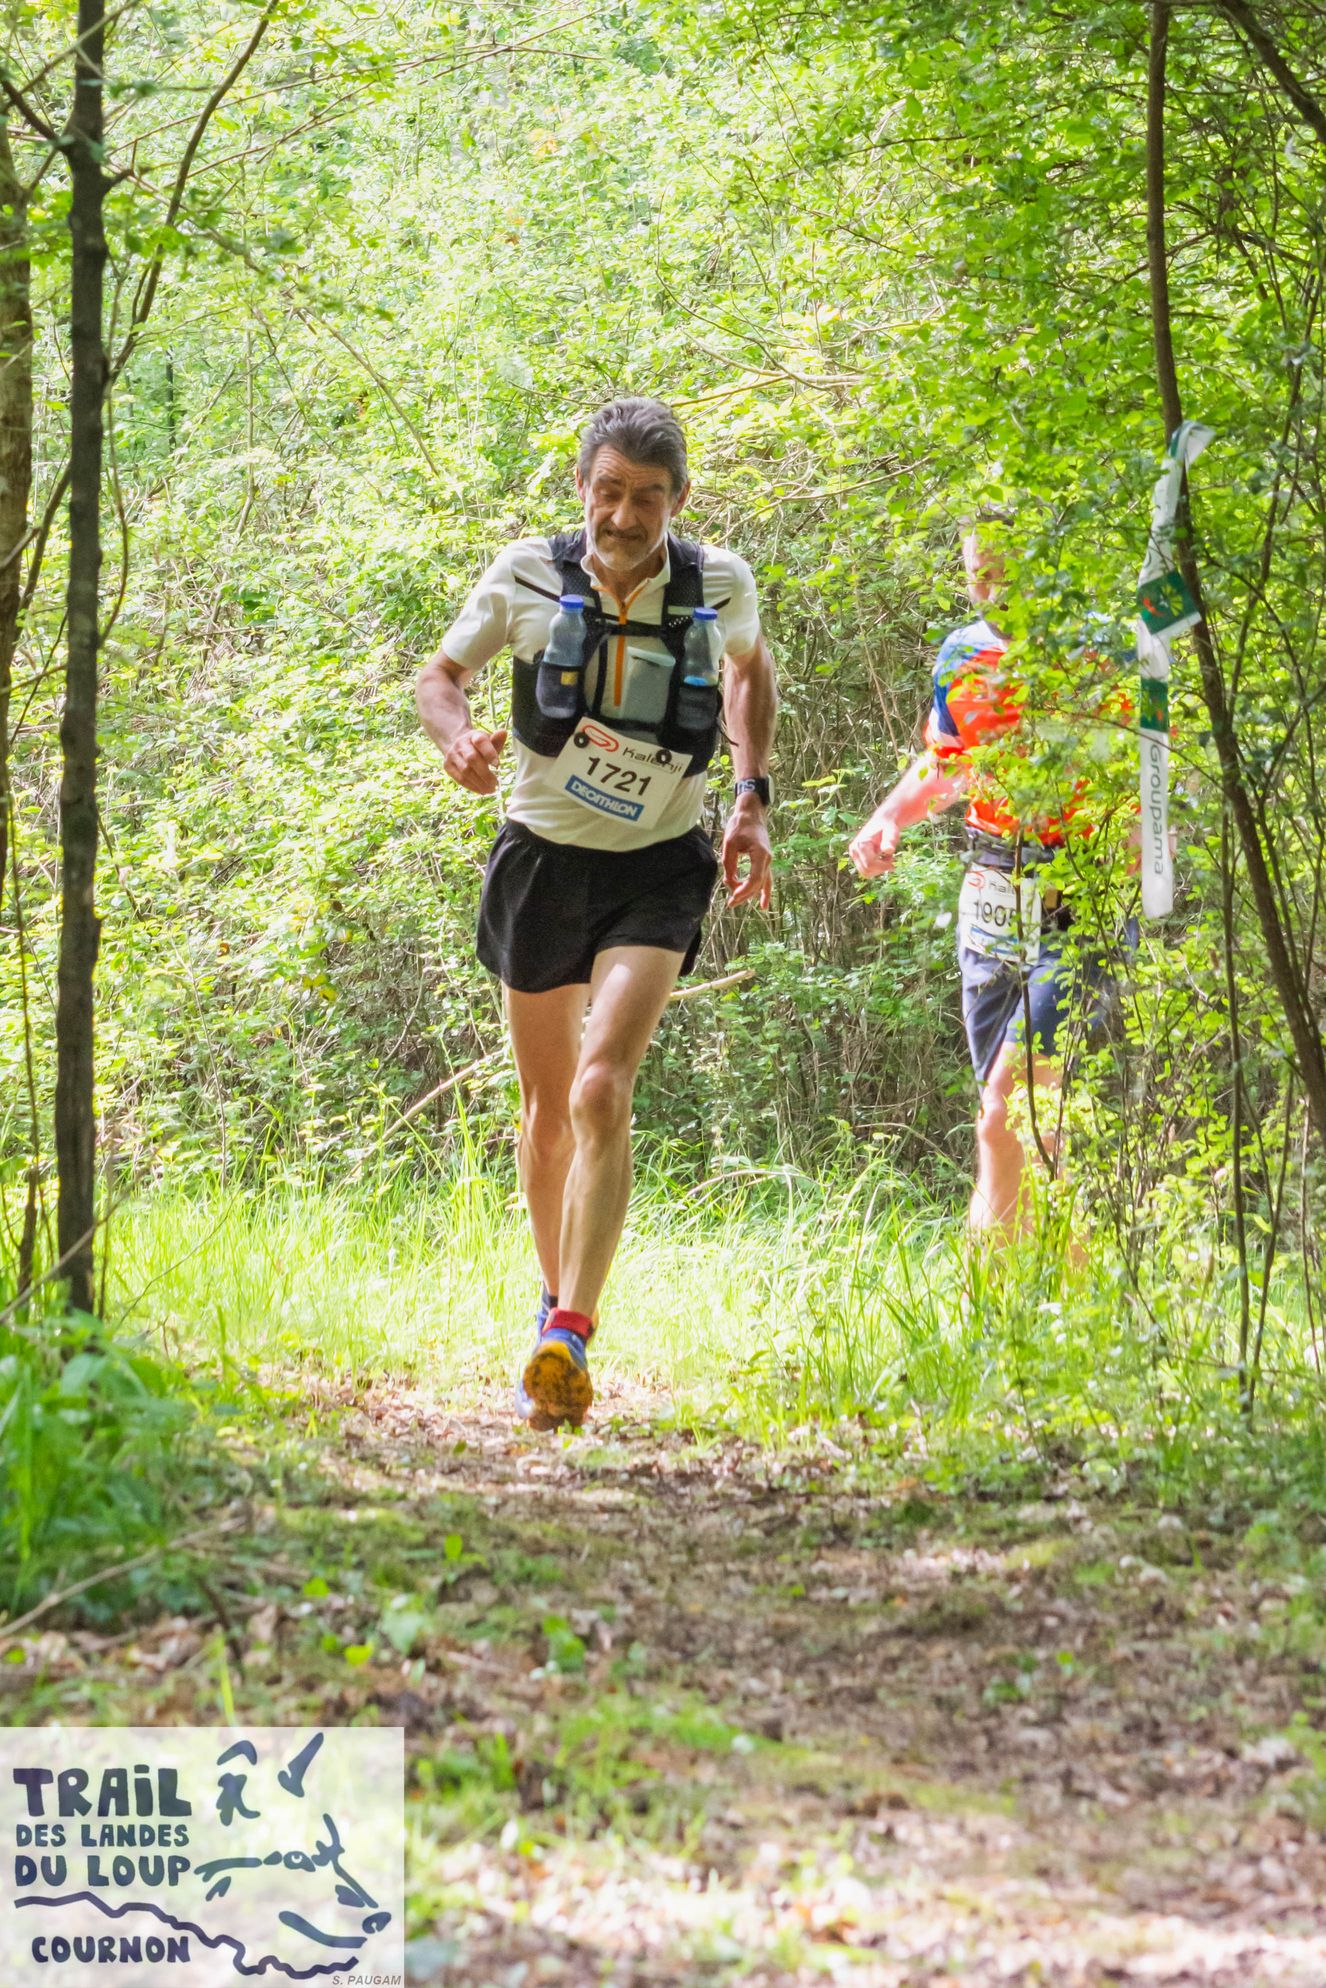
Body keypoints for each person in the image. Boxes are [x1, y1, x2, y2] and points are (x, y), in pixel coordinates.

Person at [416, 397, 775, 1427]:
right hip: (541, 859)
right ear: (581, 486)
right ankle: (553, 1307)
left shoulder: (719, 583)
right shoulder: (526, 573)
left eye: (647, 498)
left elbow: (750, 670)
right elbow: (439, 678)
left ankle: (572, 1329)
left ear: (680, 499)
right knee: (545, 1116)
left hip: (660, 865)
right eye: (608, 492)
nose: (624, 516)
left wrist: (750, 798)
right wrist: (456, 739)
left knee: (601, 1087)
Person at [847, 513, 1130, 1240]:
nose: (996, 590)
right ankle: (1049, 1284)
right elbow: (949, 766)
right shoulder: (961, 654)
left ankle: (993, 1283)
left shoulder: (1103, 651)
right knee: (1012, 1120)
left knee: (1009, 1107)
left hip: (1081, 896)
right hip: (992, 888)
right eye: (982, 575)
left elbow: (1147, 778)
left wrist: (1127, 878)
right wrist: (888, 819)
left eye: (1012, 572)